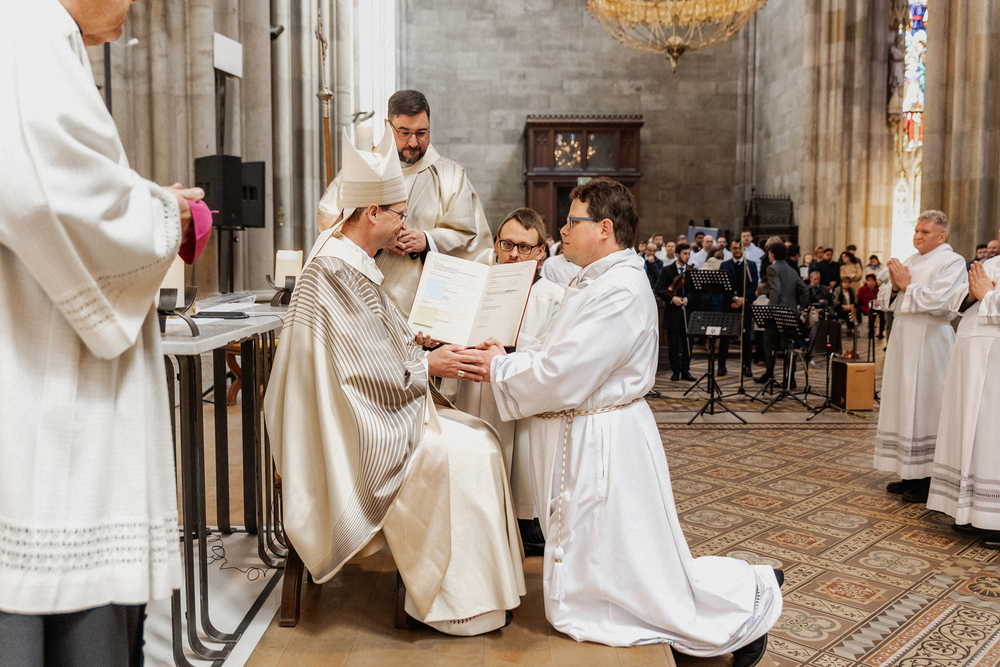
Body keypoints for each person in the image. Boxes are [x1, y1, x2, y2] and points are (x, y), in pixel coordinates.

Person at [475, 177, 781, 663]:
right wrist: (510, 357)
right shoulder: (595, 279)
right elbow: (559, 352)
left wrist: (499, 368)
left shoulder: (618, 289)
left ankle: (730, 624)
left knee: (628, 561)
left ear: (604, 228)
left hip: (606, 440)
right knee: (623, 555)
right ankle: (723, 600)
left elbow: (564, 372)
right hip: (595, 430)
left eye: (572, 221)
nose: (562, 230)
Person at [0, 1, 206, 662]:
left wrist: (141, 199)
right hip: (43, 389)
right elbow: (39, 193)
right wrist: (165, 216)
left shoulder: (42, 35)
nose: (134, 6)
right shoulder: (25, 30)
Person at [265, 132, 524, 636]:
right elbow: (354, 372)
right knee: (466, 453)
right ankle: (451, 604)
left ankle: (480, 592)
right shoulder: (333, 270)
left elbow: (368, 346)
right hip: (346, 428)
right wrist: (427, 365)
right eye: (400, 215)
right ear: (372, 213)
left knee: (481, 439)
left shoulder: (350, 261)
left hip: (365, 409)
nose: (406, 225)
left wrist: (414, 343)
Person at [317, 90, 492, 317]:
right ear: (387, 126)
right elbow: (329, 220)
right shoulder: (364, 170)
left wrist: (427, 240)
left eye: (421, 133)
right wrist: (377, 237)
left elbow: (471, 238)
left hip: (423, 307)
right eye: (404, 133)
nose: (413, 142)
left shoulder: (451, 176)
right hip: (361, 302)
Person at [454, 207, 563, 557]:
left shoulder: (554, 296)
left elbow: (552, 353)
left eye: (524, 247)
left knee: (522, 474)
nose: (514, 254)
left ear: (541, 251)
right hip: (475, 393)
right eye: (507, 244)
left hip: (521, 400)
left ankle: (524, 526)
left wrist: (509, 351)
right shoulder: (474, 287)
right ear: (496, 245)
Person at [875, 211, 968, 503]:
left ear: (942, 236)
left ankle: (929, 478)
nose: (918, 236)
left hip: (931, 339)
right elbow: (883, 298)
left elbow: (942, 302)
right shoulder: (912, 260)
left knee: (928, 404)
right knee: (903, 401)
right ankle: (910, 472)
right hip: (903, 337)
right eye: (917, 230)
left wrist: (906, 286)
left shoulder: (952, 261)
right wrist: (894, 287)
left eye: (925, 232)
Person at [926, 233, 1000, 547]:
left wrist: (987, 296)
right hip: (971, 360)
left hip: (994, 364)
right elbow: (955, 300)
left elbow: (987, 297)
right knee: (972, 432)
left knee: (992, 436)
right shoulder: (990, 264)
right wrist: (972, 294)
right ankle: (971, 510)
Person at [755, 243, 803, 384]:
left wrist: (771, 310)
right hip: (790, 311)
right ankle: (790, 378)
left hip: (776, 311)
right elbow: (805, 290)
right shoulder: (792, 270)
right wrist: (800, 309)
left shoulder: (772, 268)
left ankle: (769, 374)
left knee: (769, 343)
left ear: (772, 254)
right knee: (789, 345)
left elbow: (776, 290)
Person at [655, 244, 696, 382]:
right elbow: (659, 289)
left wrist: (687, 299)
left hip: (687, 313)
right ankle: (675, 371)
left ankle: (685, 371)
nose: (687, 256)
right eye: (685, 253)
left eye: (689, 254)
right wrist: (672, 298)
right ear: (677, 254)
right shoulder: (667, 270)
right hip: (672, 312)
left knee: (687, 344)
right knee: (673, 344)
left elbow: (695, 292)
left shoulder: (692, 271)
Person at [720, 242, 760, 377]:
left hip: (745, 305)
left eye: (740, 248)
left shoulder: (751, 265)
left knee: (746, 338)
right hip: (729, 305)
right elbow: (723, 285)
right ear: (730, 249)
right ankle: (721, 366)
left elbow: (753, 285)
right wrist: (733, 298)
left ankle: (746, 367)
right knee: (724, 337)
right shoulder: (724, 265)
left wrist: (743, 299)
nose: (737, 250)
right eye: (735, 248)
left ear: (744, 249)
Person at [858, 274, 885, 339]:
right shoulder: (862, 289)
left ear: (875, 281)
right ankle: (871, 332)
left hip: (877, 306)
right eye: (869, 280)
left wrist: (878, 302)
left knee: (883, 313)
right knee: (871, 313)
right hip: (866, 306)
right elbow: (860, 300)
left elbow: (881, 297)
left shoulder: (879, 289)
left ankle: (881, 332)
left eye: (872, 280)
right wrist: (870, 302)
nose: (871, 282)